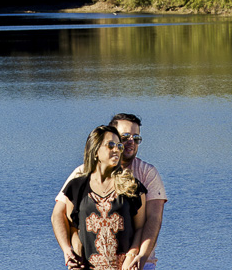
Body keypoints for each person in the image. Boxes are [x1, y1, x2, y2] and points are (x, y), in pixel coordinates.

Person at [52, 114, 166, 269]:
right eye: (124, 137)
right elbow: (61, 216)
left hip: (136, 263)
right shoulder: (80, 177)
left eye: (136, 138)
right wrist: (69, 250)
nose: (130, 142)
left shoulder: (145, 174)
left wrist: (138, 256)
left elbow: (153, 219)